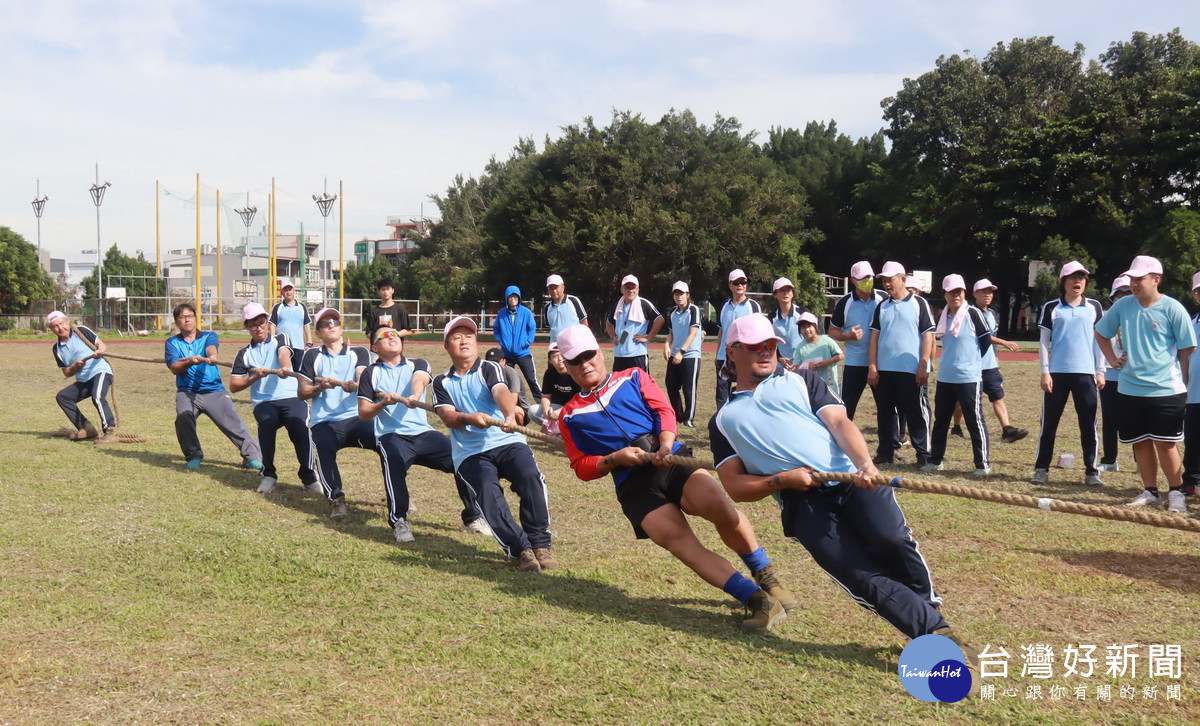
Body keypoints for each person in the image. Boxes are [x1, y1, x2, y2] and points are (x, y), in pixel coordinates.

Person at [709, 314, 978, 679]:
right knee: (859, 574)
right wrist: (781, 481)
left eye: (770, 344)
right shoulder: (724, 419)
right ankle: (935, 632)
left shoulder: (804, 380)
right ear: (733, 351)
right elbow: (735, 488)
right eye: (755, 346)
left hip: (852, 479)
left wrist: (865, 464)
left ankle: (926, 612)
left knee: (892, 540)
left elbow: (839, 422)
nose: (765, 351)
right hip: (802, 505)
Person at [557, 324, 794, 633]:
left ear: (601, 353)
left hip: (670, 459)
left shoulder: (633, 377)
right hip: (633, 485)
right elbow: (580, 466)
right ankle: (757, 600)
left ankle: (765, 575)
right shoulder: (570, 415)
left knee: (718, 507)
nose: (585, 364)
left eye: (589, 355)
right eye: (576, 360)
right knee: (681, 544)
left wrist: (666, 444)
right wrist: (614, 459)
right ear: (566, 364)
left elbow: (663, 411)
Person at [433, 316, 556, 572]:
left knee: (530, 478)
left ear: (476, 342)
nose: (464, 340)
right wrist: (469, 418)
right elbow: (447, 416)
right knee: (489, 496)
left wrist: (509, 416)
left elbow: (500, 392)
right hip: (470, 452)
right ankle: (520, 549)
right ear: (446, 346)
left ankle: (540, 544)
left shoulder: (490, 368)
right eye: (456, 337)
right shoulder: (440, 382)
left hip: (506, 440)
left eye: (469, 335)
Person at [358, 326, 491, 542]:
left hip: (423, 433)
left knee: (461, 459)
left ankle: (473, 517)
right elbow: (364, 413)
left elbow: (420, 379)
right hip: (392, 435)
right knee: (393, 462)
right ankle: (399, 521)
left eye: (394, 334)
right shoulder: (371, 373)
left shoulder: (418, 363)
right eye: (384, 336)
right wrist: (382, 402)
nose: (392, 337)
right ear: (374, 347)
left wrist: (415, 395)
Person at [1096, 256, 1197, 513]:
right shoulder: (1122, 306)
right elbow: (1101, 332)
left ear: (1156, 279)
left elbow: (1187, 347)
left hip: (1166, 389)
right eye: (1131, 279)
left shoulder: (1173, 308)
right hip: (1129, 389)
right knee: (1140, 442)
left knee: (1166, 443)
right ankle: (1150, 491)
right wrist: (1111, 359)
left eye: (1139, 279)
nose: (1133, 283)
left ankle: (1175, 493)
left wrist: (1171, 371)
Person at [230, 303, 318, 494]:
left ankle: (309, 475)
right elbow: (234, 385)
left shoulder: (281, 338)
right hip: (264, 401)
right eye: (253, 325)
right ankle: (268, 474)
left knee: (300, 426)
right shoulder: (244, 354)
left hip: (290, 396)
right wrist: (254, 377)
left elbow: (284, 353)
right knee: (267, 424)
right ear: (246, 327)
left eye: (261, 323)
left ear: (267, 322)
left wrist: (285, 367)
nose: (258, 328)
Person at [1031, 261, 1106, 488]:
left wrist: (1100, 371)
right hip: (1057, 373)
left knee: (1088, 424)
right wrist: (1045, 371)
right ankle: (1041, 469)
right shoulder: (1051, 307)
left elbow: (1100, 341)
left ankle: (1092, 471)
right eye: (1072, 277)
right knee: (1049, 424)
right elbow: (1044, 342)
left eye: (1081, 277)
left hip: (1086, 374)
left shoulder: (1094, 307)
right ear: (1062, 281)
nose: (1077, 281)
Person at [296, 307, 374, 521]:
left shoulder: (358, 352)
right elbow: (302, 392)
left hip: (357, 417)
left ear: (341, 328)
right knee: (322, 447)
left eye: (335, 322)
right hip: (326, 421)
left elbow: (362, 376)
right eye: (324, 323)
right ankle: (336, 500)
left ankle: (399, 492)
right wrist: (321, 387)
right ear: (318, 333)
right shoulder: (312, 356)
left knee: (389, 444)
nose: (331, 325)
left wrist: (356, 385)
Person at [164, 303, 263, 471]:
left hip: (214, 391)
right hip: (187, 392)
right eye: (182, 317)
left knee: (233, 423)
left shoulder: (209, 336)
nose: (186, 320)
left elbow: (211, 347)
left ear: (195, 318)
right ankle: (194, 455)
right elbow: (174, 367)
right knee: (183, 417)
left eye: (190, 316)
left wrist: (212, 356)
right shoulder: (172, 343)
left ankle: (252, 457)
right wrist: (189, 362)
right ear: (176, 321)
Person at [923, 275, 992, 476]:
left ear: (964, 293)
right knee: (941, 420)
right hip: (946, 376)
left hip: (969, 377)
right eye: (951, 292)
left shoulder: (973, 313)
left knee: (974, 420)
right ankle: (935, 460)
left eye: (959, 292)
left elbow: (985, 341)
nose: (956, 296)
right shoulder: (942, 317)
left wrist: (971, 361)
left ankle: (982, 464)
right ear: (944, 294)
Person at [867, 261, 934, 467]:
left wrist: (924, 365)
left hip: (910, 369)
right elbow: (874, 338)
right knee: (885, 414)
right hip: (884, 370)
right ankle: (886, 452)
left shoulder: (919, 304)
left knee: (915, 414)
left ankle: (924, 455)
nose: (887, 284)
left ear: (903, 279)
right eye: (884, 280)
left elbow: (928, 336)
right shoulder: (882, 306)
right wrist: (872, 366)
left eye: (891, 280)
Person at [952, 279, 1028, 444]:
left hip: (989, 364)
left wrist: (996, 360)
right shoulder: (968, 312)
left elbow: (988, 338)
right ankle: (956, 426)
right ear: (975, 294)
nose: (988, 295)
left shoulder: (991, 313)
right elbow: (982, 336)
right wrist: (1003, 342)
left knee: (997, 395)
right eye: (983, 291)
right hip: (971, 363)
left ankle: (1007, 430)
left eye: (990, 292)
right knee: (962, 398)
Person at [829, 262, 889, 421]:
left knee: (886, 405)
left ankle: (891, 441)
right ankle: (841, 440)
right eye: (863, 278)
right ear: (853, 280)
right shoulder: (845, 302)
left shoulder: (884, 298)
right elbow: (832, 330)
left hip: (881, 362)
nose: (868, 280)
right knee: (847, 406)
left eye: (870, 276)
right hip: (855, 362)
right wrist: (848, 336)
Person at [47, 310, 117, 443]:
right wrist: (74, 367)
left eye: (61, 323)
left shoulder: (81, 331)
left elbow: (101, 345)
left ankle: (110, 431)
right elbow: (66, 372)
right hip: (84, 380)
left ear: (67, 322)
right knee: (63, 396)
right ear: (51, 329)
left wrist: (99, 351)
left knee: (97, 396)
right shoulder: (57, 348)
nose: (60, 328)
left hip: (100, 371)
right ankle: (86, 428)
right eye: (55, 326)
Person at [714, 269, 762, 408]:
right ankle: (721, 422)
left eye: (743, 282)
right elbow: (721, 330)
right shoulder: (724, 307)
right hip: (725, 356)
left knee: (747, 390)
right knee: (722, 393)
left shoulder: (753, 306)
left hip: (746, 355)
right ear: (730, 285)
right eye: (736, 282)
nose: (740, 285)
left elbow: (759, 331)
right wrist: (718, 354)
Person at [1099, 276, 1132, 472]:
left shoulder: (1139, 316)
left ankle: (1140, 461)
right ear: (1112, 297)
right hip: (1110, 375)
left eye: (1128, 293)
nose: (1124, 297)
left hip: (1133, 375)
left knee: (1137, 418)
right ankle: (1109, 459)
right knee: (1109, 419)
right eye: (1119, 293)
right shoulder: (1105, 315)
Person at [663, 281, 703, 427]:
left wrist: (681, 351)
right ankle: (678, 415)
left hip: (690, 355)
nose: (678, 296)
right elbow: (671, 332)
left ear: (687, 295)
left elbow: (693, 333)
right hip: (675, 354)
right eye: (676, 293)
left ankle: (688, 418)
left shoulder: (694, 310)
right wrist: (667, 345)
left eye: (681, 293)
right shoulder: (673, 312)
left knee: (688, 388)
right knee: (671, 385)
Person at [606, 275, 665, 373]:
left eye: (633, 287)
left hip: (637, 354)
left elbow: (660, 319)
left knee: (641, 386)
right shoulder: (617, 305)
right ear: (621, 290)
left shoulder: (643, 304)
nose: (630, 290)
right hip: (620, 355)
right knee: (620, 386)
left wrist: (648, 337)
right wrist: (612, 337)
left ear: (638, 289)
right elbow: (608, 323)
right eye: (627, 288)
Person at [492, 285, 542, 400]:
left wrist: (527, 341)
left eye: (515, 296)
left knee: (531, 379)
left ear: (519, 298)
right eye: (510, 297)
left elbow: (532, 328)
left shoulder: (526, 312)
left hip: (523, 353)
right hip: (507, 354)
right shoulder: (502, 313)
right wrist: (502, 342)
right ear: (506, 299)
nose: (512, 299)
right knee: (504, 379)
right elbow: (496, 329)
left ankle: (541, 404)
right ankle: (506, 403)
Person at [485, 348, 540, 424]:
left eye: (498, 362)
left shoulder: (511, 373)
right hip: (498, 405)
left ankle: (520, 433)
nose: (495, 365)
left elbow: (514, 400)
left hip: (520, 407)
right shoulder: (486, 373)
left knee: (516, 412)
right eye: (492, 363)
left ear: (504, 361)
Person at [793, 312, 842, 393]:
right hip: (811, 386)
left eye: (809, 326)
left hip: (829, 384)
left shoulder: (827, 341)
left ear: (815, 326)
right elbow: (797, 367)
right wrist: (809, 367)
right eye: (803, 327)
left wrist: (827, 362)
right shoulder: (800, 347)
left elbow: (840, 355)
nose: (806, 330)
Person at [1183, 272, 1200, 496]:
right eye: (1199, 290)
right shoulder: (1191, 323)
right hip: (1194, 392)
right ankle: (1192, 480)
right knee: (1193, 438)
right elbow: (1184, 356)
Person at [539, 343, 580, 433]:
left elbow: (581, 399)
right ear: (550, 360)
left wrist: (562, 411)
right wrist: (546, 409)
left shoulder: (575, 372)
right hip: (557, 406)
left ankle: (565, 430)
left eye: (562, 355)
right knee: (532, 411)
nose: (560, 359)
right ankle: (556, 429)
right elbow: (546, 396)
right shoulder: (549, 373)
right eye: (555, 356)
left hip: (576, 408)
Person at [770, 277, 807, 368]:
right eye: (781, 290)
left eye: (789, 290)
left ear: (792, 293)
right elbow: (770, 341)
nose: (786, 293)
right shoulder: (772, 317)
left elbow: (812, 337)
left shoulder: (803, 312)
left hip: (803, 361)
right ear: (775, 294)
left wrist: (799, 360)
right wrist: (779, 358)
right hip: (781, 364)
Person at [268, 279, 312, 349]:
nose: (288, 292)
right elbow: (272, 326)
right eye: (285, 290)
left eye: (290, 289)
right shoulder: (277, 307)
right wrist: (272, 342)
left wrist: (309, 341)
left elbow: (306, 325)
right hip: (282, 347)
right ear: (282, 292)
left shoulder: (302, 307)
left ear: (294, 291)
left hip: (299, 347)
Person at [544, 274, 588, 343]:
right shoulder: (547, 307)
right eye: (551, 288)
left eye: (556, 287)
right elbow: (551, 327)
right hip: (556, 347)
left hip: (575, 344)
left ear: (563, 287)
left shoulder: (573, 301)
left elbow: (584, 322)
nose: (554, 291)